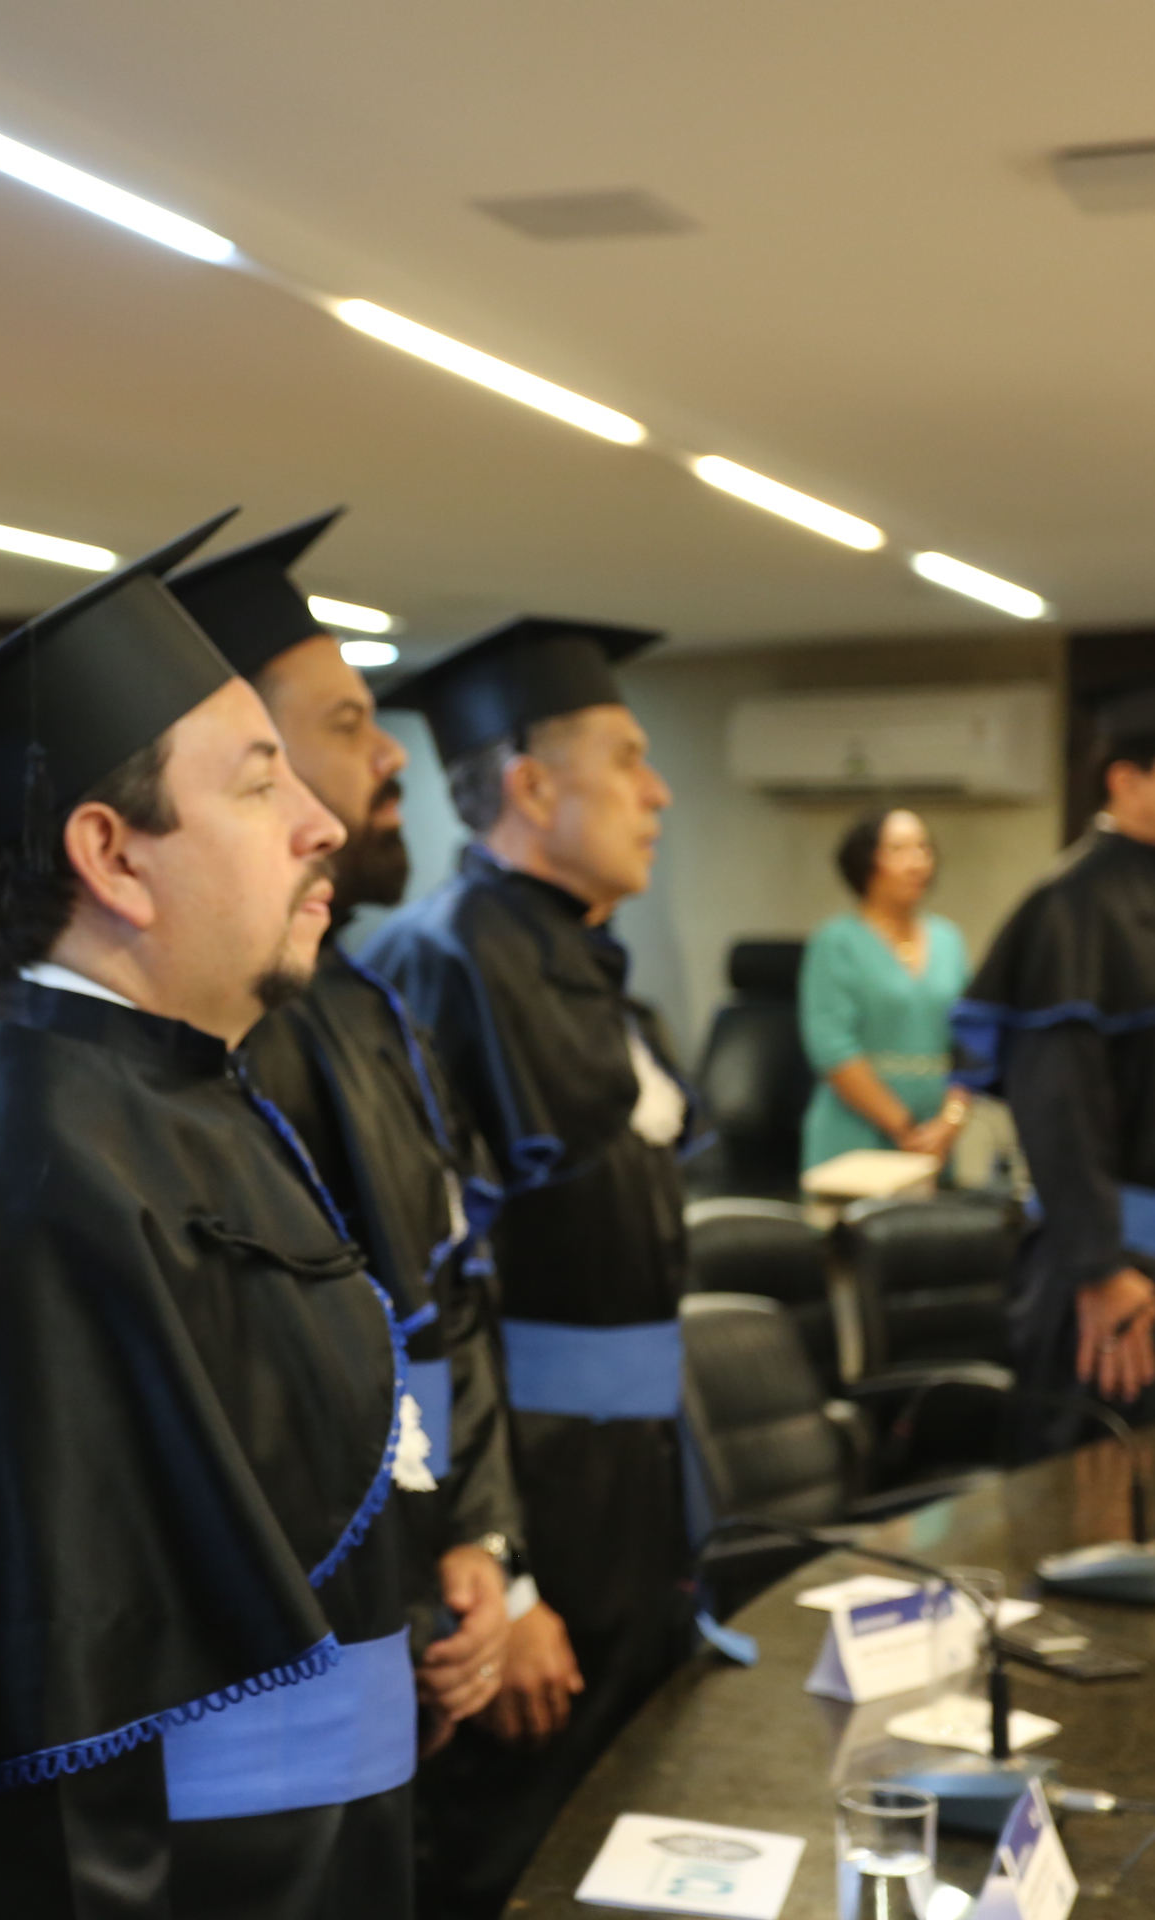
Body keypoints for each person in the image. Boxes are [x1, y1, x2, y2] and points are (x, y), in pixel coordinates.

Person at [0, 516, 425, 1918]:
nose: (320, 823)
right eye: (260, 784)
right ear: (113, 857)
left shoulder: (166, 1091)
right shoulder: (31, 1177)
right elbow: (58, 1723)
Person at [167, 516, 524, 1792]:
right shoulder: (205, 1048)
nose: (392, 758)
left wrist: (484, 1544)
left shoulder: (369, 1003)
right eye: (347, 725)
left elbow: (448, 1296)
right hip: (313, 1639)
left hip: (433, 1569)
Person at [362, 615, 691, 1920]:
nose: (658, 794)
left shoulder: (583, 951)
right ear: (532, 786)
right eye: (628, 760)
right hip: (533, 1486)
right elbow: (429, 1296)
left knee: (629, 1818)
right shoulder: (441, 958)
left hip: (632, 1472)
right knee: (521, 1845)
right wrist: (510, 1572)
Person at [953, 682, 1155, 1454]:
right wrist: (1099, 1267)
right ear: (1127, 781)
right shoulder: (1074, 905)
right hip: (1111, 1265)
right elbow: (1057, 1100)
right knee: (1101, 1493)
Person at [799, 806, 972, 1170]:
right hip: (856, 1136)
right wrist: (905, 1128)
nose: (917, 862)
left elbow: (970, 1038)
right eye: (898, 849)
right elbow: (832, 1048)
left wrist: (950, 1121)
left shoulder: (948, 940)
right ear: (866, 861)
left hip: (937, 1140)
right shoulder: (837, 942)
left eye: (923, 848)